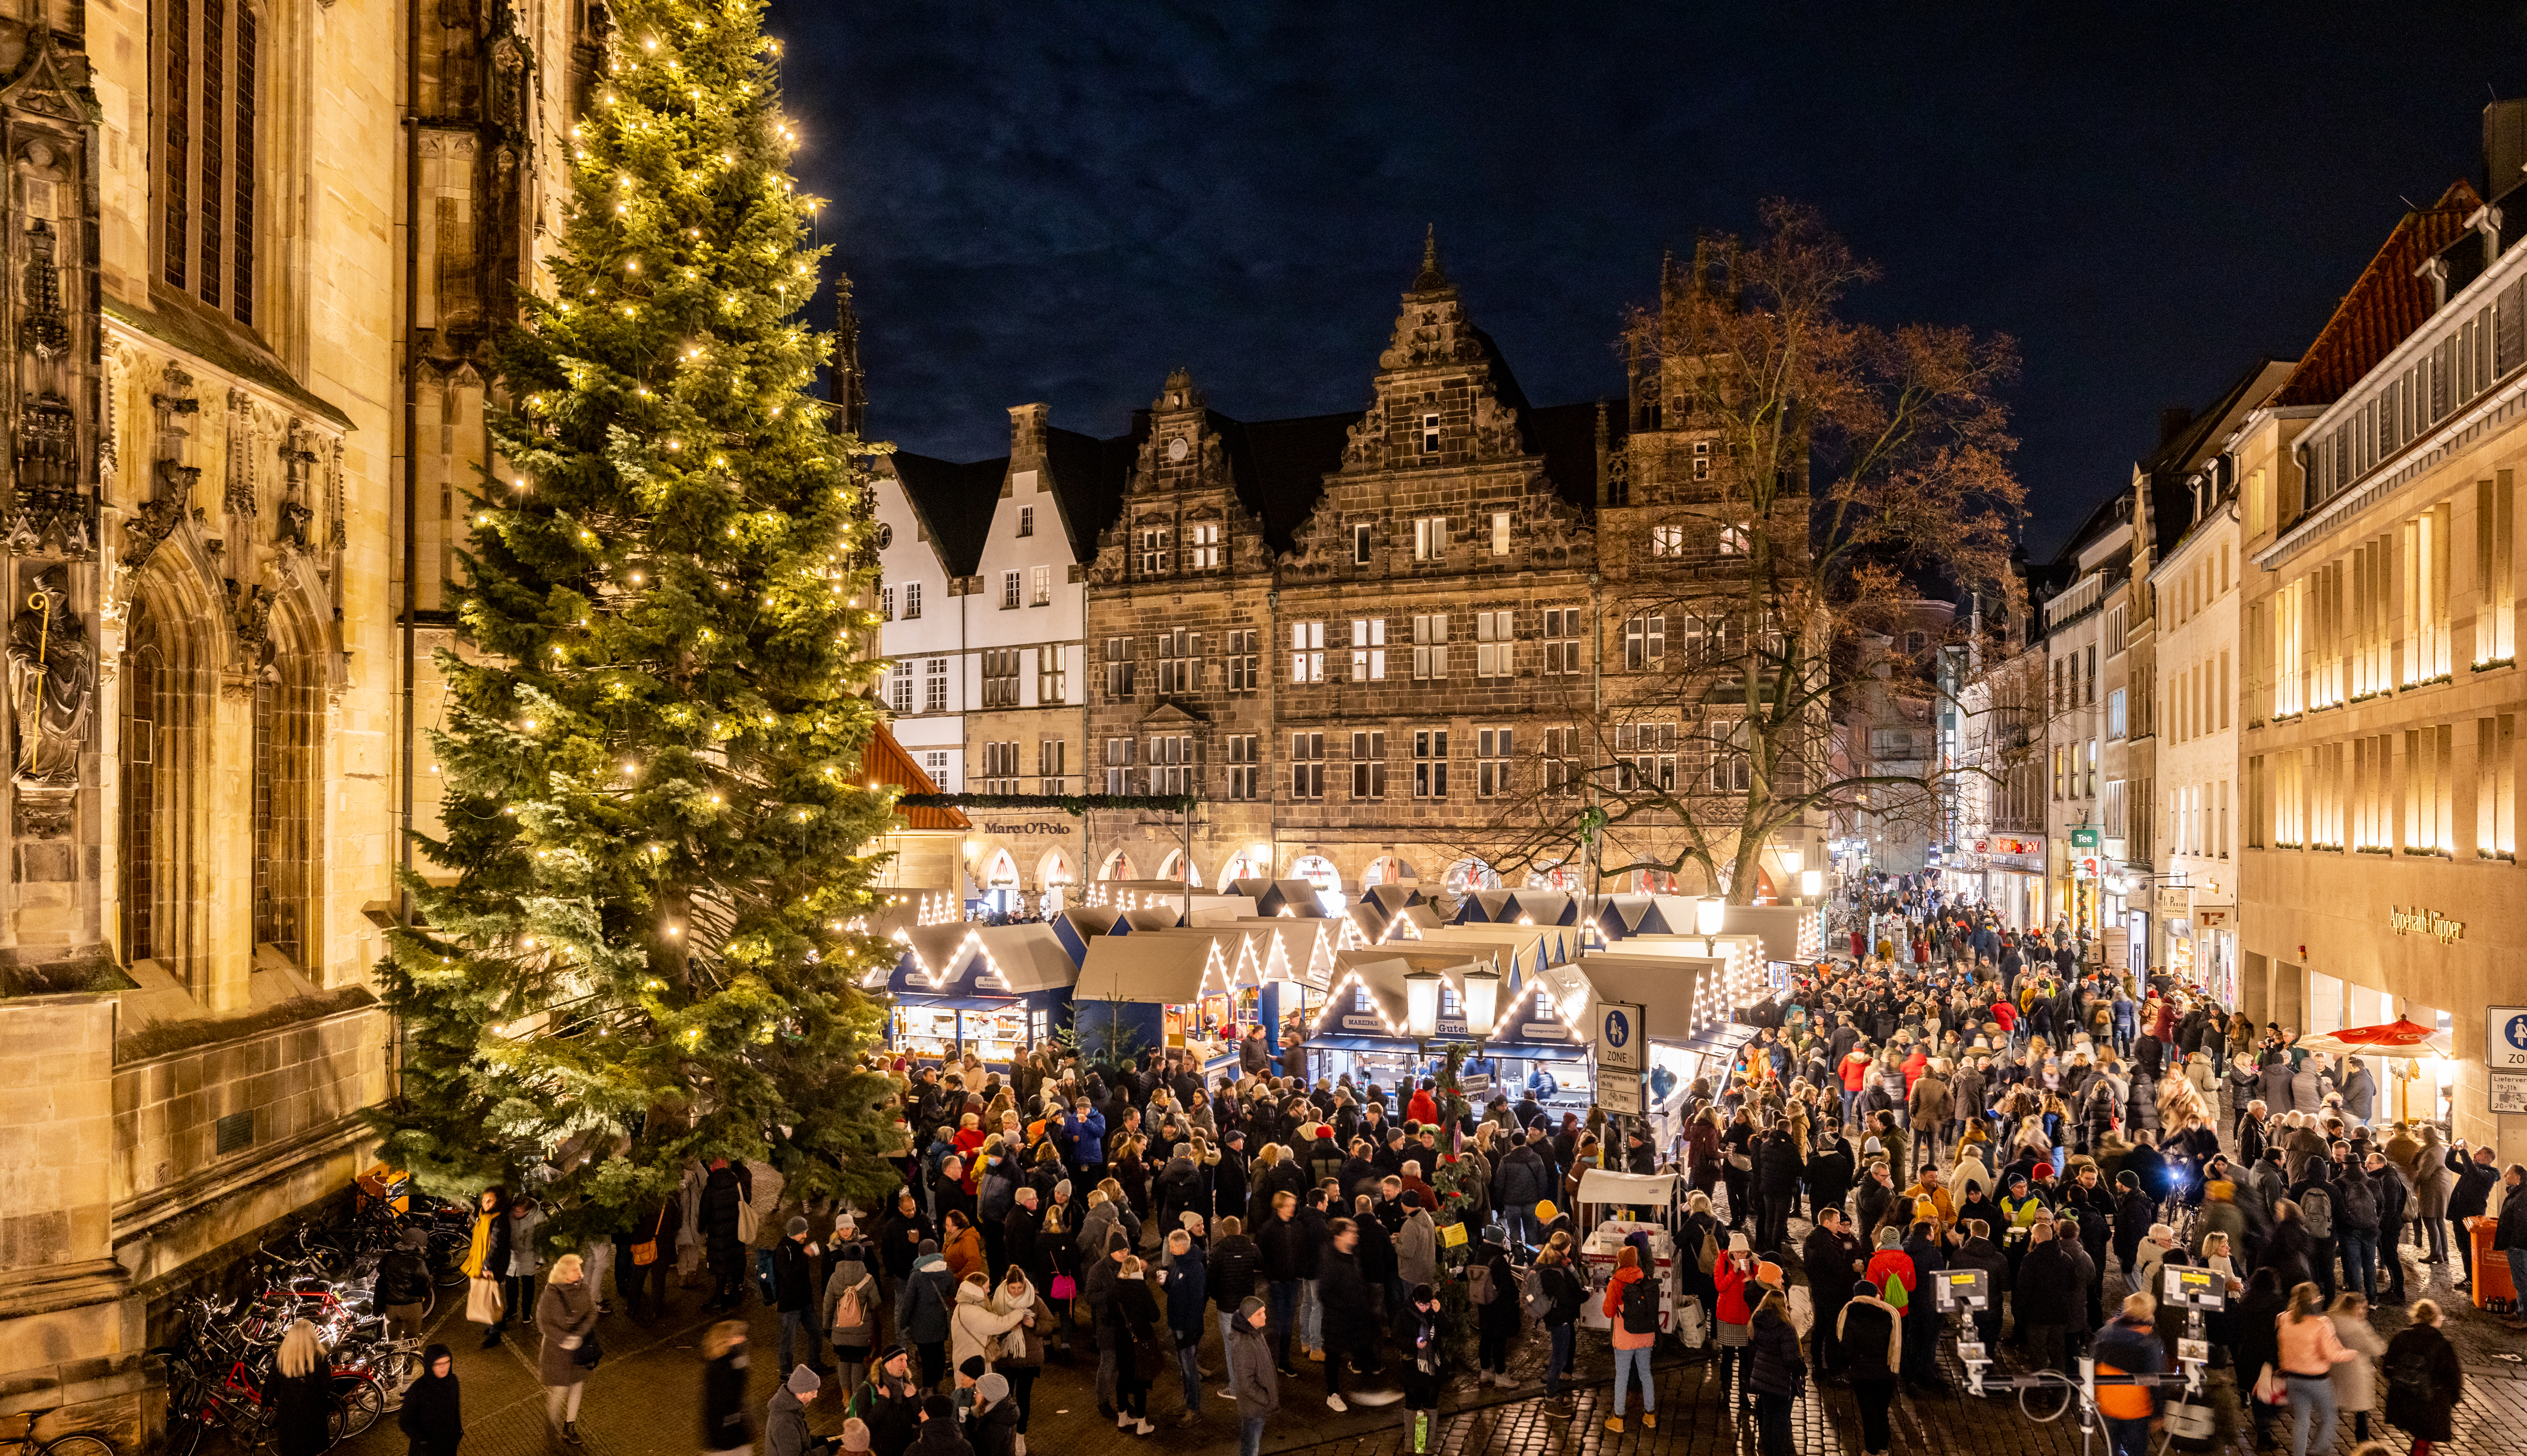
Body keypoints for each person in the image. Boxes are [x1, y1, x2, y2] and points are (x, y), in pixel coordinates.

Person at [2277, 1280, 2356, 1456]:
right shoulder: (2321, 1323)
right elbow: (2333, 1354)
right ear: (2315, 1300)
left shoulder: (2284, 1318)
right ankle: (2317, 1450)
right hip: (2317, 1381)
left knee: (2302, 1420)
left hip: (2292, 1379)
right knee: (2328, 1416)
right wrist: (2351, 1354)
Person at [2381, 1299, 2461, 1456]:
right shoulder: (2442, 1344)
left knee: (2420, 1436)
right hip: (2430, 1402)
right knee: (2424, 1437)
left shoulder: (2401, 1337)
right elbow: (2453, 1377)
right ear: (2435, 1319)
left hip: (2403, 1398)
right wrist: (2453, 1398)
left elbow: (2387, 1367)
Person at [536, 1252, 599, 1444]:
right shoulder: (551, 1293)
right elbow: (544, 1323)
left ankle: (569, 1426)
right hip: (557, 1354)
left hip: (578, 1353)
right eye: (575, 1269)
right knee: (560, 1392)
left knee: (577, 1389)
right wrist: (564, 1339)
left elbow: (592, 1313)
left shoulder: (583, 1288)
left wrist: (578, 1335)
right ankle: (551, 1424)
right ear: (564, 1273)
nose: (580, 1272)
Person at [1836, 1276, 1902, 1456]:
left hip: (1862, 1373)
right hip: (1887, 1373)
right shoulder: (1889, 1314)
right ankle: (1883, 1449)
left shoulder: (1849, 1313)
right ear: (1875, 1295)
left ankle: (1871, 1451)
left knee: (1868, 1414)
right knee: (1882, 1412)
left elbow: (1845, 1348)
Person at [2093, 1293, 2164, 1456]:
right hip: (2136, 1408)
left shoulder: (2105, 1332)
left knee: (2112, 1445)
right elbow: (2157, 1380)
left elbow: (2093, 1362)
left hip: (2108, 1402)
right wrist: (2159, 1412)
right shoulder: (2150, 1343)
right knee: (2137, 1449)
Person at [1602, 1245, 1659, 1433]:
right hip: (1646, 1335)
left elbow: (1608, 1311)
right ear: (1635, 1261)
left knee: (1622, 1377)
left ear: (1620, 1262)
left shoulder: (1616, 1283)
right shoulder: (1646, 1279)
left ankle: (1618, 1419)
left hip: (1625, 1338)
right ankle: (1650, 1415)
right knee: (1646, 1373)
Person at [1748, 1288, 1806, 1456]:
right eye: (1787, 1303)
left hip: (1762, 1379)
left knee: (1767, 1416)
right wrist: (1802, 1370)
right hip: (1781, 1381)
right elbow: (1791, 1359)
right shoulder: (1785, 1327)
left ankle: (1767, 1450)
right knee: (1781, 1419)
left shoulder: (1756, 1322)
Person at [269, 1320, 336, 1456]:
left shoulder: (281, 1359)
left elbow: (272, 1387)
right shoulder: (320, 1358)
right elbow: (326, 1386)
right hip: (313, 1412)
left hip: (288, 1412)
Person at [1111, 1255, 1162, 1435]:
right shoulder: (1141, 1288)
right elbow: (1155, 1315)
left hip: (1122, 1341)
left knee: (1123, 1378)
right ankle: (1142, 1424)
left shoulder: (1115, 1287)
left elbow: (1109, 1316)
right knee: (1141, 1381)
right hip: (1140, 1341)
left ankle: (1122, 1418)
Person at [897, 1240, 957, 1392]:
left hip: (921, 1323)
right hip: (940, 1321)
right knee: (939, 1352)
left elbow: (909, 1301)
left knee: (927, 1355)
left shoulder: (917, 1275)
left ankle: (927, 1386)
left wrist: (903, 1323)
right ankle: (938, 1382)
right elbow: (953, 1293)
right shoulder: (947, 1271)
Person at [824, 1244, 880, 1401]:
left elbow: (828, 1305)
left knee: (843, 1360)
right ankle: (856, 1395)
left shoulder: (835, 1278)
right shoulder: (868, 1279)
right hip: (861, 1330)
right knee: (857, 1362)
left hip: (840, 1328)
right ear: (862, 1257)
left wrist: (827, 1327)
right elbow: (876, 1303)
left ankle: (845, 1395)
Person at [2329, 1293, 2386, 1444]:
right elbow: (2376, 1349)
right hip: (2356, 1374)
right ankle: (2363, 1444)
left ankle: (2325, 1441)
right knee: (2361, 1415)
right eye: (2362, 1308)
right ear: (2354, 1308)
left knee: (2331, 1409)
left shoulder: (2331, 1320)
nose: (2365, 1311)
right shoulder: (2358, 1327)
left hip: (2335, 1371)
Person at [1534, 1243, 1586, 1407]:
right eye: (1568, 1246)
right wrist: (1585, 1296)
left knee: (1558, 1356)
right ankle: (1550, 1394)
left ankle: (1551, 1391)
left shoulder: (1547, 1271)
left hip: (1555, 1319)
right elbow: (1567, 1299)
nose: (1570, 1249)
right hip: (1560, 1320)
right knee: (1558, 1358)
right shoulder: (1556, 1276)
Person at [1225, 1296, 1277, 1456]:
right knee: (1250, 1448)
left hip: (1257, 1406)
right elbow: (1245, 1383)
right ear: (1249, 1318)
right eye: (1260, 1314)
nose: (1265, 1316)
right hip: (1254, 1408)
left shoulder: (1255, 1333)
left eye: (1264, 1312)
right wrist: (1266, 1399)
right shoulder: (1244, 1344)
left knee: (1252, 1443)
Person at [776, 1216, 826, 1378]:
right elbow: (789, 1276)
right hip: (791, 1304)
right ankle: (785, 1371)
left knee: (816, 1332)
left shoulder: (798, 1246)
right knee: (789, 1339)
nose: (805, 1236)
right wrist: (806, 1256)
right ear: (793, 1233)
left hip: (805, 1301)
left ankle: (815, 1364)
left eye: (805, 1232)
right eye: (802, 1233)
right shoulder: (784, 1250)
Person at [1400, 1284, 1445, 1454]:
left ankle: (1426, 1443)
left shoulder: (1434, 1312)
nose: (1425, 1308)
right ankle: (1412, 1443)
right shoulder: (1405, 1314)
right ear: (1414, 1300)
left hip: (1433, 1368)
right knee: (1413, 1404)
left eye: (1427, 1305)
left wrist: (1439, 1312)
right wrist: (1415, 1343)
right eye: (1421, 1305)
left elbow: (1447, 1329)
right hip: (1412, 1367)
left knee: (1430, 1404)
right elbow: (1398, 1337)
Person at [398, 1343, 463, 1456]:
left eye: (447, 1362)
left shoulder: (453, 1381)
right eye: (438, 1364)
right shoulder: (417, 1390)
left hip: (448, 1445)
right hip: (426, 1450)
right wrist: (423, 1441)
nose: (444, 1367)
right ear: (430, 1365)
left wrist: (458, 1430)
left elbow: (455, 1409)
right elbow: (404, 1422)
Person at [701, 1321, 754, 1456]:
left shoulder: (727, 1360)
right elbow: (733, 1393)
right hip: (725, 1438)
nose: (744, 1339)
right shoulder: (719, 1367)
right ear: (727, 1340)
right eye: (740, 1336)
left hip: (733, 1433)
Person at [968, 1373, 1019, 1456]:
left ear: (987, 1397)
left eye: (977, 1392)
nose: (974, 1394)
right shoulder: (1001, 1412)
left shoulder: (993, 1430)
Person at [907, 1395, 972, 1456]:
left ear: (932, 1415)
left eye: (923, 1411)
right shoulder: (966, 1448)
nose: (920, 1414)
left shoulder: (915, 1450)